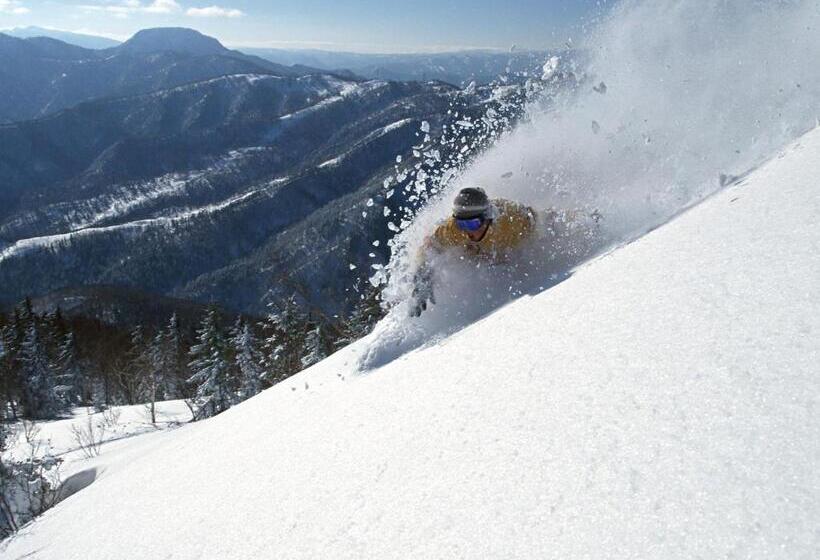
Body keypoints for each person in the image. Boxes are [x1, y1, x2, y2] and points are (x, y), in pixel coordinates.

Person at [410, 187, 599, 316]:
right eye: (462, 223)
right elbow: (429, 246)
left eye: (473, 223)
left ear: (487, 218)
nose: (467, 230)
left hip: (522, 242)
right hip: (487, 253)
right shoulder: (454, 229)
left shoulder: (512, 220)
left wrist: (576, 223)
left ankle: (591, 216)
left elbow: (546, 221)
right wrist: (423, 274)